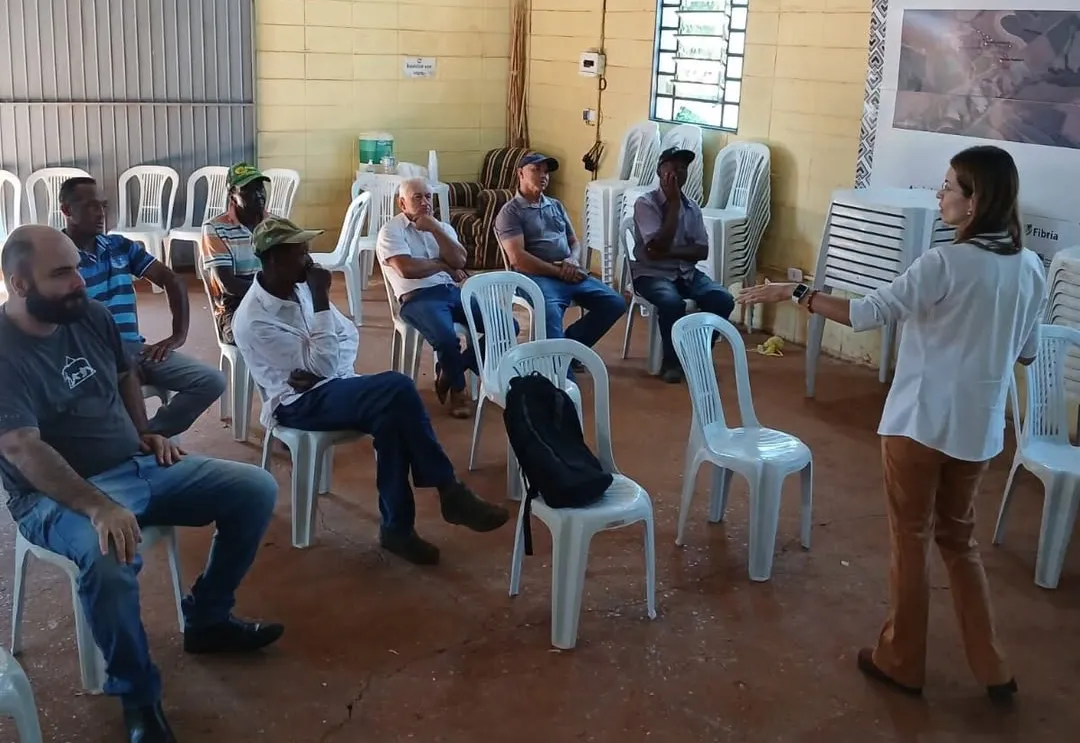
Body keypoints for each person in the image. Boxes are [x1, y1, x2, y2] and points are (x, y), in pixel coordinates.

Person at [738, 145, 1045, 704]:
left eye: (950, 186)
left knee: (911, 540)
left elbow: (863, 315)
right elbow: (1025, 354)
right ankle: (993, 665)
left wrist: (799, 292)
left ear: (975, 202)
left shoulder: (943, 264)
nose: (940, 194)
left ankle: (903, 660)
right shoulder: (1030, 269)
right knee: (960, 540)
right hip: (977, 433)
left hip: (919, 425)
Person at [0, 225, 284, 743]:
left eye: (76, 268)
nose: (80, 282)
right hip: (55, 495)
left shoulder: (90, 315)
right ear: (19, 285)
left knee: (254, 488)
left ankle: (207, 619)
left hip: (134, 465)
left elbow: (123, 374)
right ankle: (138, 698)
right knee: (107, 556)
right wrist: (97, 506)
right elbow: (21, 446)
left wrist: (145, 433)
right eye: (62, 274)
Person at [232, 217, 510, 566]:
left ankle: (399, 528)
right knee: (396, 387)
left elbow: (347, 336)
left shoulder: (299, 287)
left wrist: (322, 365)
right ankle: (447, 490)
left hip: (333, 386)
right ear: (273, 259)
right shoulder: (255, 318)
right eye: (299, 252)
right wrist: (320, 302)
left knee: (390, 415)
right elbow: (323, 364)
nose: (309, 259)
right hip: (296, 404)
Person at [61, 176, 226, 438]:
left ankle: (147, 437)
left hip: (135, 349)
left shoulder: (119, 246)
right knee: (121, 386)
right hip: (90, 357)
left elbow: (171, 279)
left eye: (103, 205)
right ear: (67, 211)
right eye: (91, 206)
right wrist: (118, 359)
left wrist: (177, 336)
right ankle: (137, 440)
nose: (101, 213)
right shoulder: (59, 258)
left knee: (211, 381)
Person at [495, 153, 626, 352]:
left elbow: (574, 242)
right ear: (520, 173)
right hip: (535, 278)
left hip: (567, 272)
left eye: (546, 172)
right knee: (550, 313)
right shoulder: (510, 212)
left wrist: (572, 260)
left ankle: (570, 348)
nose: (543, 176)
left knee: (615, 303)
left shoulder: (555, 205)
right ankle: (558, 372)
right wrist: (558, 272)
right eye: (536, 170)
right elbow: (518, 259)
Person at [632, 147, 736, 383]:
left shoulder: (693, 208)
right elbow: (655, 251)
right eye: (673, 167)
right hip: (651, 274)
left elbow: (701, 250)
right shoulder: (645, 203)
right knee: (671, 302)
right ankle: (672, 363)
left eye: (683, 168)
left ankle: (697, 357)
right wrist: (674, 205)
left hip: (687, 273)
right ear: (660, 171)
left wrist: (665, 251)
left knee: (722, 299)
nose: (678, 173)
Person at [376, 177, 474, 418]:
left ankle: (450, 371)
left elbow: (460, 261)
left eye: (428, 197)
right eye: (417, 197)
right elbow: (406, 269)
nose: (424, 202)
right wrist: (442, 265)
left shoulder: (442, 228)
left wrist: (435, 229)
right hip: (417, 298)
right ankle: (458, 391)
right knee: (446, 338)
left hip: (451, 292)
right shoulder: (391, 231)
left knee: (505, 326)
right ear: (402, 203)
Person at [200, 162, 273, 344]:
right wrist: (274, 291)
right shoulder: (215, 228)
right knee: (260, 336)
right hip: (235, 307)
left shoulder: (276, 225)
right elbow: (228, 285)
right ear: (232, 194)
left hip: (274, 301)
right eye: (248, 189)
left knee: (310, 330)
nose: (258, 194)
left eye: (260, 188)